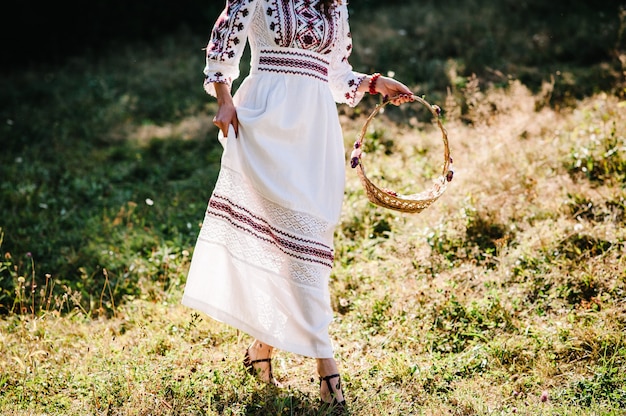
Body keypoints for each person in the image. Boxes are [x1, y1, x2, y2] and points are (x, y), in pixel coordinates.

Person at [181, 0, 413, 411]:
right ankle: (328, 368)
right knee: (291, 248)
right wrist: (223, 98)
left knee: (305, 243)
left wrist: (377, 83)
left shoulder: (333, 5)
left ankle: (260, 350)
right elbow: (223, 45)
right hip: (265, 121)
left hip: (314, 132)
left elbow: (337, 78)